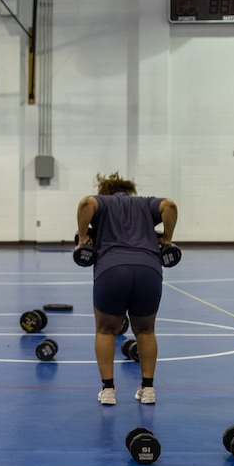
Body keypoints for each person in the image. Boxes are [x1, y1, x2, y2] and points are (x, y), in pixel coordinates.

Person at [76, 174, 178, 406]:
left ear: (104, 191)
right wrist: (168, 240)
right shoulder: (144, 203)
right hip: (149, 271)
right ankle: (148, 389)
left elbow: (85, 204)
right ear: (129, 191)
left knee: (105, 331)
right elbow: (169, 206)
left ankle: (109, 391)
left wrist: (83, 238)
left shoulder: (103, 203)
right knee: (145, 331)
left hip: (112, 270)